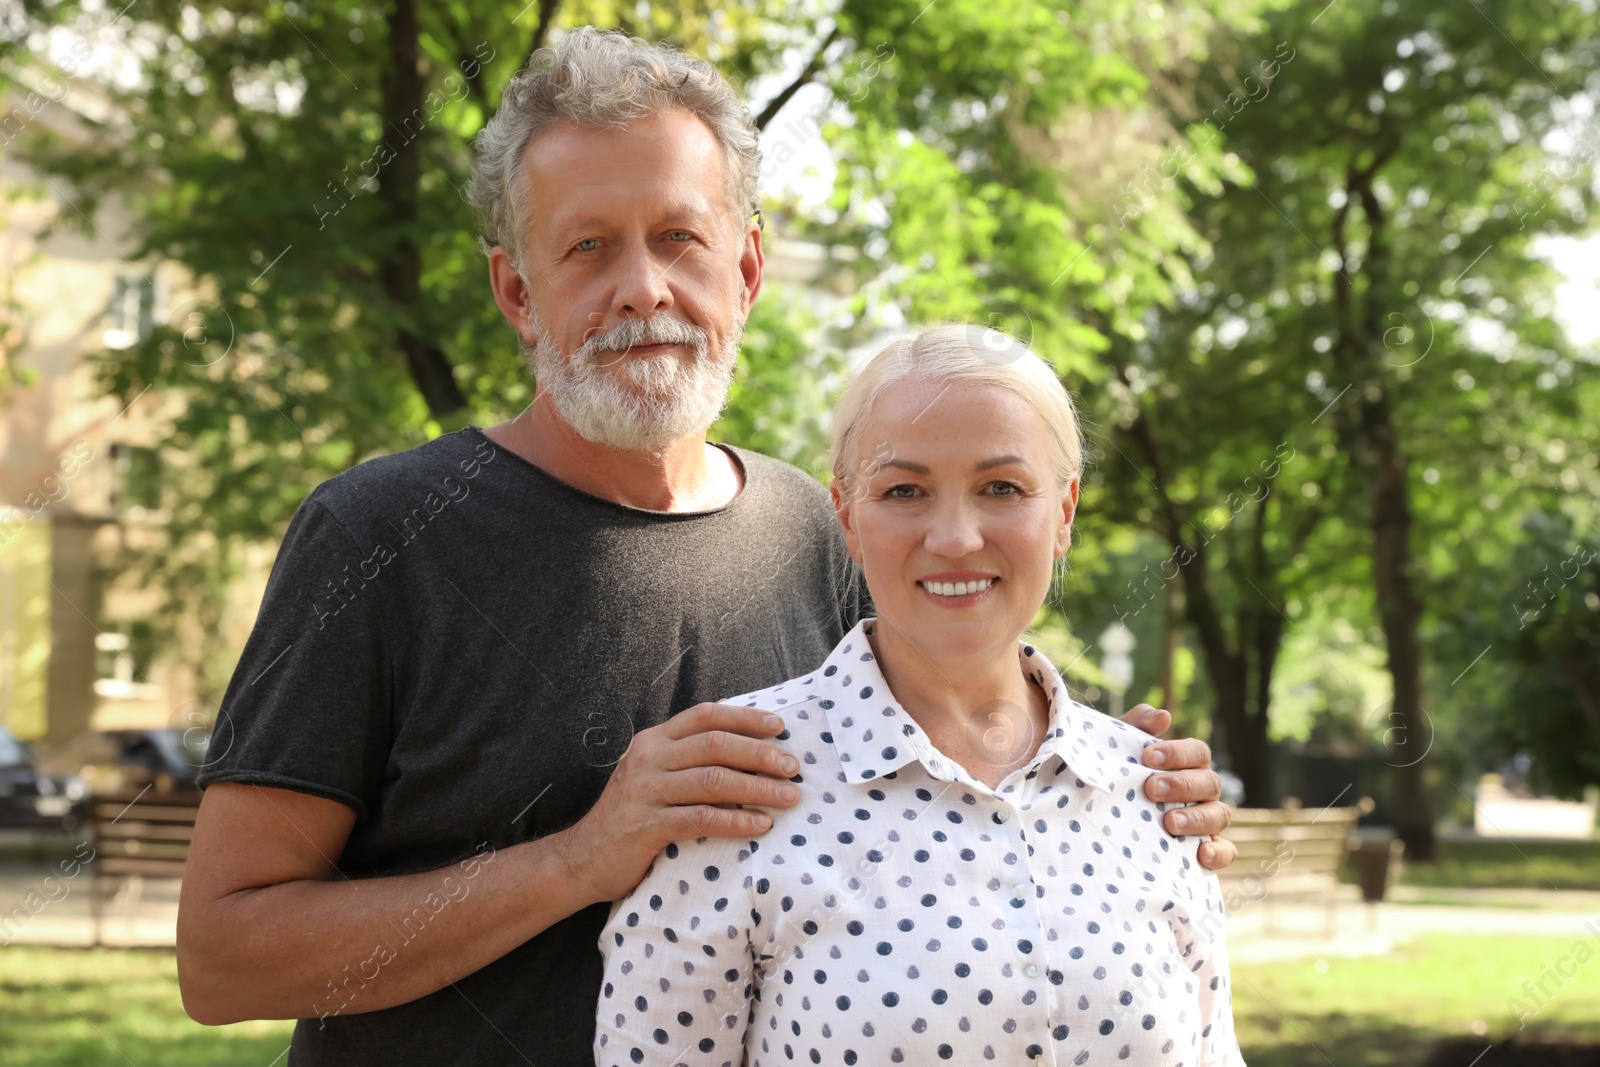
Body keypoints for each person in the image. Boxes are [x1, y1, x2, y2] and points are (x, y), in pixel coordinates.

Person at [175, 29, 1234, 1066]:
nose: (642, 288)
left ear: (748, 267)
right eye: (587, 247)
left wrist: (1111, 782)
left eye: (680, 237)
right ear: (515, 293)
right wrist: (580, 858)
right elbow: (223, 960)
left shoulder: (823, 532)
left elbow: (942, 779)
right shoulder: (376, 536)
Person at [596, 326, 1245, 1067]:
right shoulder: (731, 788)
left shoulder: (1154, 792)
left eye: (1001, 487)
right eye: (905, 490)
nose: (956, 536)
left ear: (1063, 512)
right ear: (847, 517)